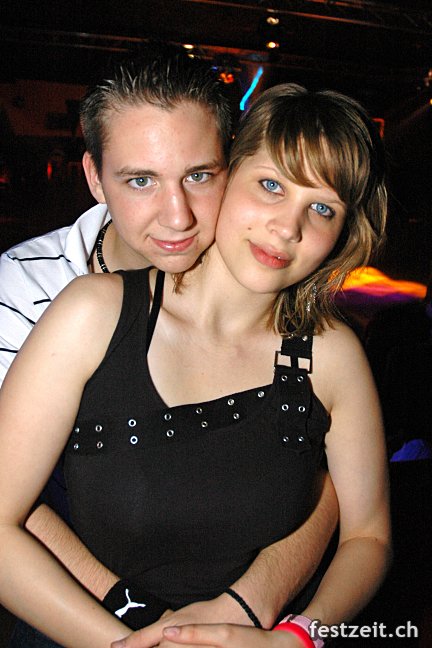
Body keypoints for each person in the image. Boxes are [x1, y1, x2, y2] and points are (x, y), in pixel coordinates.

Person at [0, 81, 390, 648]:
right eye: (271, 186)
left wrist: (299, 635)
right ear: (230, 175)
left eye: (322, 208)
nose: (288, 228)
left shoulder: (333, 355)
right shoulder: (92, 313)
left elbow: (368, 538)